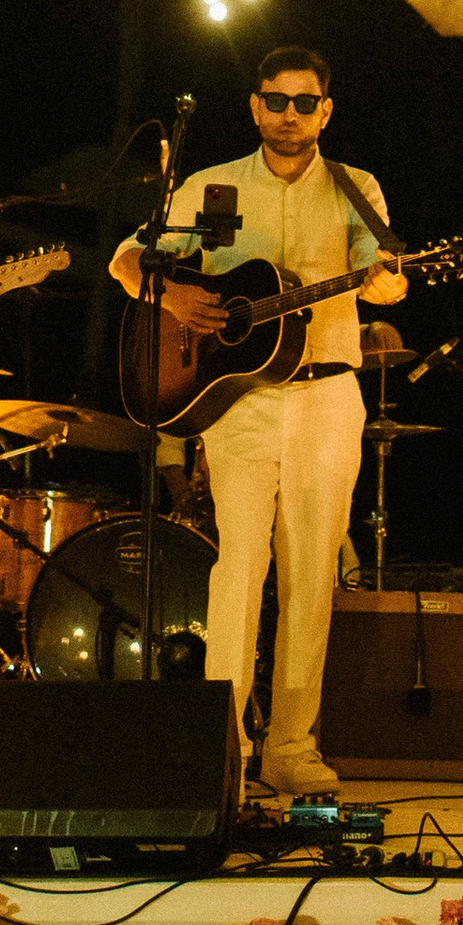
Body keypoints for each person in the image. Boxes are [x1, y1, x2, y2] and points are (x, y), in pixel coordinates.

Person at [110, 45, 406, 796]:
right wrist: (171, 298)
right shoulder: (210, 185)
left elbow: (387, 284)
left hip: (327, 392)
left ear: (325, 111)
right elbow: (127, 261)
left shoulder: (355, 185)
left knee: (311, 575)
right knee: (237, 567)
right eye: (276, 101)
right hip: (236, 398)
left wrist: (388, 278)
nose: (289, 116)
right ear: (254, 105)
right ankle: (223, 748)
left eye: (305, 103)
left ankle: (291, 749)